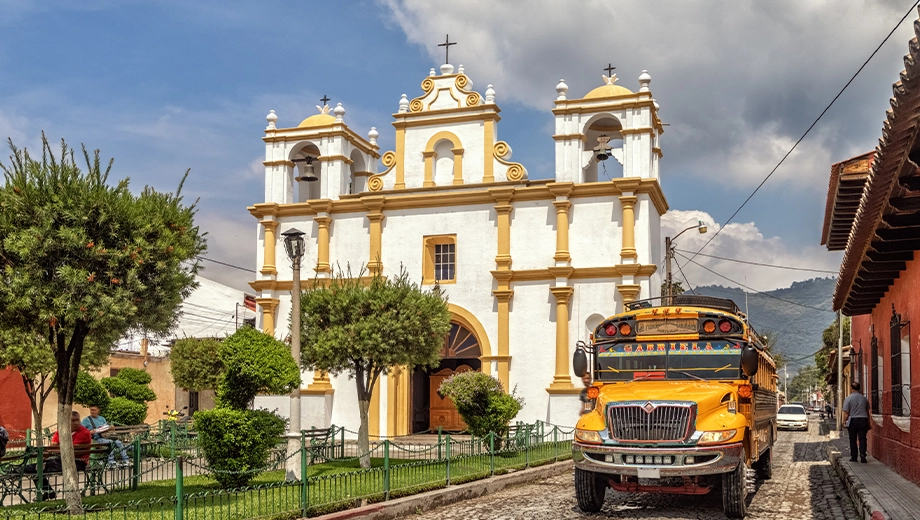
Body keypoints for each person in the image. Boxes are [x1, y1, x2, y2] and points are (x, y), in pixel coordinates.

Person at [23, 411, 92, 500]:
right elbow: (54, 446)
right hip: (62, 459)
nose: (76, 423)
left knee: (34, 468)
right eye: (73, 420)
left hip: (77, 462)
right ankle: (48, 492)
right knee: (37, 467)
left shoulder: (84, 433)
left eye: (78, 420)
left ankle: (48, 492)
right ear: (66, 421)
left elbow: (69, 450)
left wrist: (49, 453)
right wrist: (43, 458)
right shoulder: (61, 430)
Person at [842, 381, 871, 463]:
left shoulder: (848, 399)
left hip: (853, 421)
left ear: (851, 389)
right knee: (862, 439)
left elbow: (846, 412)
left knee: (852, 439)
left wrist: (844, 422)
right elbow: (867, 412)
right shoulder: (864, 398)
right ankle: (863, 455)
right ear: (859, 388)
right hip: (863, 420)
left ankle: (854, 457)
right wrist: (869, 423)